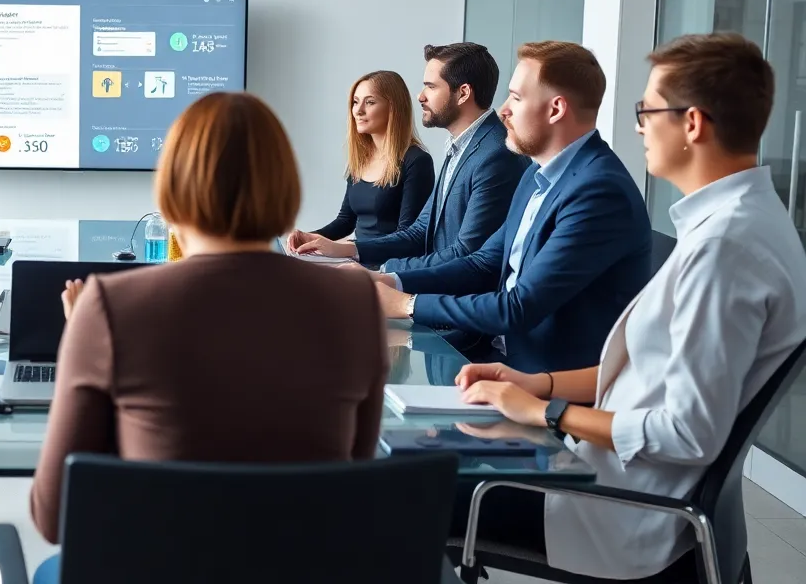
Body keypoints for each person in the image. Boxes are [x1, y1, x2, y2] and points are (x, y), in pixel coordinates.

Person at [451, 33, 806, 580]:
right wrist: (536, 383)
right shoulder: (742, 223)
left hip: (621, 509)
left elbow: (687, 433)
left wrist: (546, 413)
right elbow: (648, 373)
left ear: (691, 124)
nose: (639, 125)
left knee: (409, 489)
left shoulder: (726, 249)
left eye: (647, 110)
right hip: (616, 482)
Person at [29, 92, 389, 580]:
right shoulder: (356, 304)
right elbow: (352, 476)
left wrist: (86, 346)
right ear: (284, 187)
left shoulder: (109, 308)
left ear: (171, 187)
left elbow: (54, 516)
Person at [366, 41, 650, 374]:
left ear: (556, 110)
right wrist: (392, 281)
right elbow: (483, 263)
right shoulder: (536, 173)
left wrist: (407, 305)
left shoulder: (599, 192)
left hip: (541, 383)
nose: (503, 110)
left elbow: (519, 307)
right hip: (496, 358)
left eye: (515, 97)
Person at [292, 44, 527, 268]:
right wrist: (348, 251)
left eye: (431, 86)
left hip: (447, 293)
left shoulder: (495, 154)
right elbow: (420, 231)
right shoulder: (460, 147)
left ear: (463, 93)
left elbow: (465, 255)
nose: (420, 96)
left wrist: (382, 274)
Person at [287, 70, 434, 254]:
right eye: (355, 102)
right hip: (356, 259)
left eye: (370, 102)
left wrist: (347, 249)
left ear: (393, 108)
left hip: (388, 268)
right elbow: (345, 221)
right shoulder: (360, 159)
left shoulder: (417, 161)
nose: (358, 110)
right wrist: (310, 238)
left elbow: (408, 236)